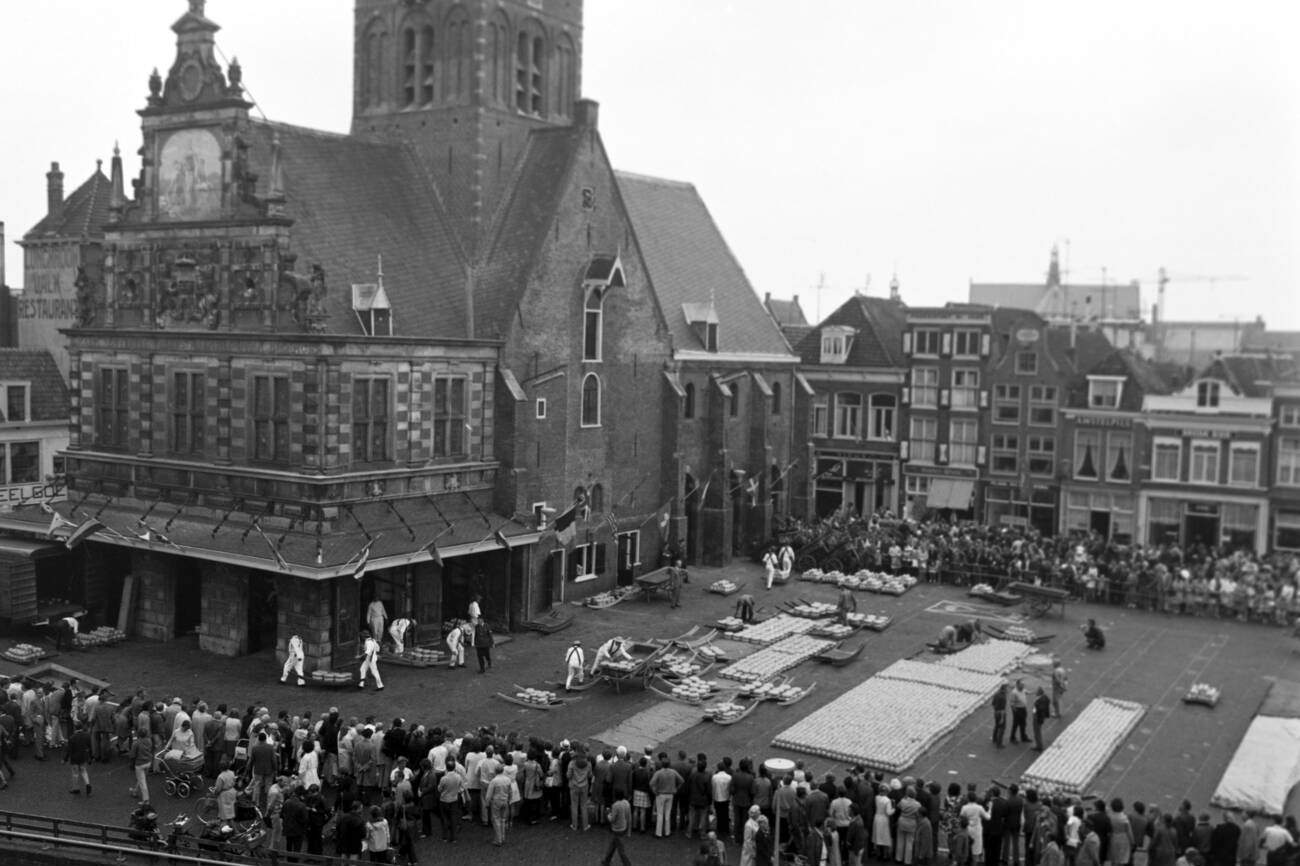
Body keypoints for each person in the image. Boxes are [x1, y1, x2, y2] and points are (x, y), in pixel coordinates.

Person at [602, 791, 633, 866]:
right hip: (623, 827)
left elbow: (612, 819)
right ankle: (606, 860)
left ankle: (627, 864)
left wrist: (608, 813)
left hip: (617, 829)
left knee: (621, 850)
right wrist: (629, 831)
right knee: (612, 845)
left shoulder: (615, 805)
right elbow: (628, 817)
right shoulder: (626, 803)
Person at [64, 720, 92, 796]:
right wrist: (90, 757)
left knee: (75, 774)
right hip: (83, 757)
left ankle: (76, 788)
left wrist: (65, 759)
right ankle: (88, 785)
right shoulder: (87, 735)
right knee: (84, 771)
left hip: (74, 758)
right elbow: (90, 747)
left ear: (75, 728)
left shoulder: (72, 738)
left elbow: (69, 750)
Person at [1009, 679, 1029, 744]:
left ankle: (1023, 737)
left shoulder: (1023, 690)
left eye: (1023, 685)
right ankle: (1012, 738)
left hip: (1023, 709)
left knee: (1023, 724)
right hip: (1017, 710)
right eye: (1021, 685)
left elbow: (1026, 692)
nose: (1023, 686)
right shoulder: (1014, 692)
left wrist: (1034, 692)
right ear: (1017, 685)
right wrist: (1015, 712)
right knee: (1015, 724)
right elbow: (1012, 704)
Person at [1032, 686, 1052, 751]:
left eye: (1036, 691)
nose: (1035, 692)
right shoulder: (1045, 697)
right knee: (1038, 731)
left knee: (1037, 732)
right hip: (1041, 717)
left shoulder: (1038, 701)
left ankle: (1039, 746)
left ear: (1039, 693)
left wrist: (1035, 709)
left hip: (1037, 718)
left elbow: (1037, 710)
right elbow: (1048, 701)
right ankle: (1039, 745)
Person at [992, 683, 1008, 748]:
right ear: (1004, 689)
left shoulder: (996, 694)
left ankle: (994, 738)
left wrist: (996, 710)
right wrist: (1002, 718)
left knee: (996, 726)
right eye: (1006, 689)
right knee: (1002, 728)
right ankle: (999, 743)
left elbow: (993, 704)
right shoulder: (1003, 697)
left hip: (996, 712)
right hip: (1001, 714)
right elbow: (1002, 709)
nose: (1007, 690)